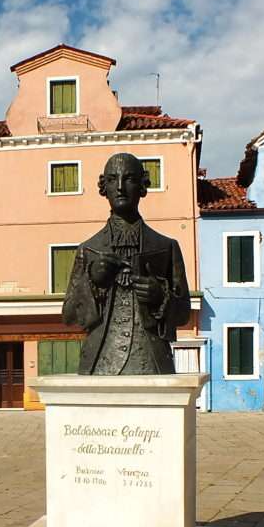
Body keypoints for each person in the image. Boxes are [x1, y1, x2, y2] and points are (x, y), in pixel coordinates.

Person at [62, 152, 191, 375]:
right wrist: (92, 281)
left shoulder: (166, 247)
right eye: (112, 179)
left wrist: (161, 296)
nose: (120, 187)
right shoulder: (89, 249)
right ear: (104, 187)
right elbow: (69, 316)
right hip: (100, 360)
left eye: (129, 179)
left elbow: (184, 313)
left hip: (151, 361)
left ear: (143, 186)